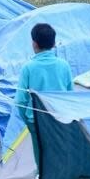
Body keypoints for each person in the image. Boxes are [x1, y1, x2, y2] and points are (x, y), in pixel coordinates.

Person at [15, 23, 74, 161]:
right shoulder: (64, 65)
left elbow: (20, 101)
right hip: (59, 119)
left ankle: (43, 178)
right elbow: (70, 95)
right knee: (60, 154)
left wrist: (28, 121)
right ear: (54, 43)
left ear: (34, 44)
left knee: (41, 157)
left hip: (36, 121)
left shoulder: (28, 68)